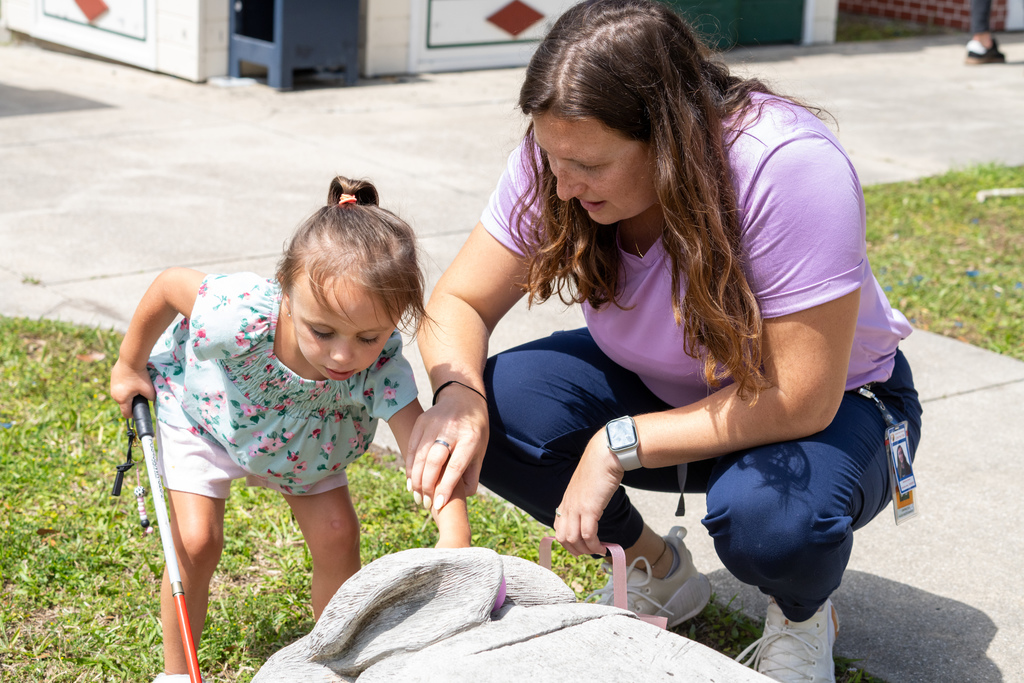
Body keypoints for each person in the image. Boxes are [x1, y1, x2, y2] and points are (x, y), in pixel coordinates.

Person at [407, 1, 922, 682]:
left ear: (670, 136)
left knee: (770, 519)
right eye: (551, 158)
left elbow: (799, 397)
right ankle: (658, 569)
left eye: (587, 164)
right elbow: (460, 300)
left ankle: (801, 617)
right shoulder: (562, 155)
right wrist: (457, 392)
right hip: (670, 386)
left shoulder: (789, 165)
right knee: (497, 407)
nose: (560, 185)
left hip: (834, 405)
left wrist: (619, 441)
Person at [109, 176, 471, 683]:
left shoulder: (379, 369)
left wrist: (454, 530)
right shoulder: (238, 313)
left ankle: (332, 662)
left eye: (370, 336)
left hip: (304, 452)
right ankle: (176, 673)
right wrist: (130, 364)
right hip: (208, 421)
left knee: (338, 536)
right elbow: (170, 284)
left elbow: (424, 447)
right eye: (322, 331)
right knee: (194, 543)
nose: (344, 355)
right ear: (285, 293)